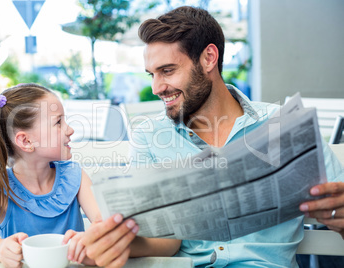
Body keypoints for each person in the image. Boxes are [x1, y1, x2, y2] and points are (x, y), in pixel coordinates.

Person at [80, 6, 344, 267]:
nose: (156, 87)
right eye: (152, 74)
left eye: (168, 71)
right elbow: (160, 239)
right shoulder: (150, 135)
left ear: (208, 58)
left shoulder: (283, 124)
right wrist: (111, 243)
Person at [0, 83, 102, 267]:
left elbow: (102, 223)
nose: (70, 129)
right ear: (26, 141)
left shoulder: (75, 176)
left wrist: (91, 240)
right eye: (58, 122)